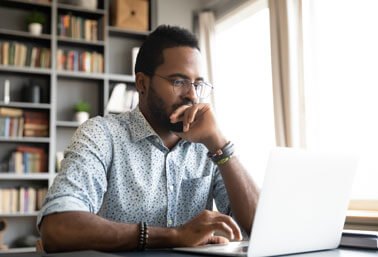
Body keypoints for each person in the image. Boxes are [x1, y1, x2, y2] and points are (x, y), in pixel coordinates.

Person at [38, 25, 259, 253]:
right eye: (179, 82)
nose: (192, 95)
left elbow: (259, 227)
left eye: (197, 84)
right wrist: (174, 236)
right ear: (142, 83)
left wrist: (220, 145)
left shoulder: (208, 145)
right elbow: (58, 227)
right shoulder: (101, 135)